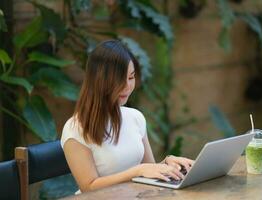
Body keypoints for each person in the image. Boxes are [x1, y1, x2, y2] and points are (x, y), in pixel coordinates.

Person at [61, 40, 194, 194]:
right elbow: (89, 186)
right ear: (100, 81)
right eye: (119, 80)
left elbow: (148, 167)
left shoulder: (135, 117)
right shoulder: (75, 129)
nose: (127, 86)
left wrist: (168, 163)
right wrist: (137, 171)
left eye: (131, 78)